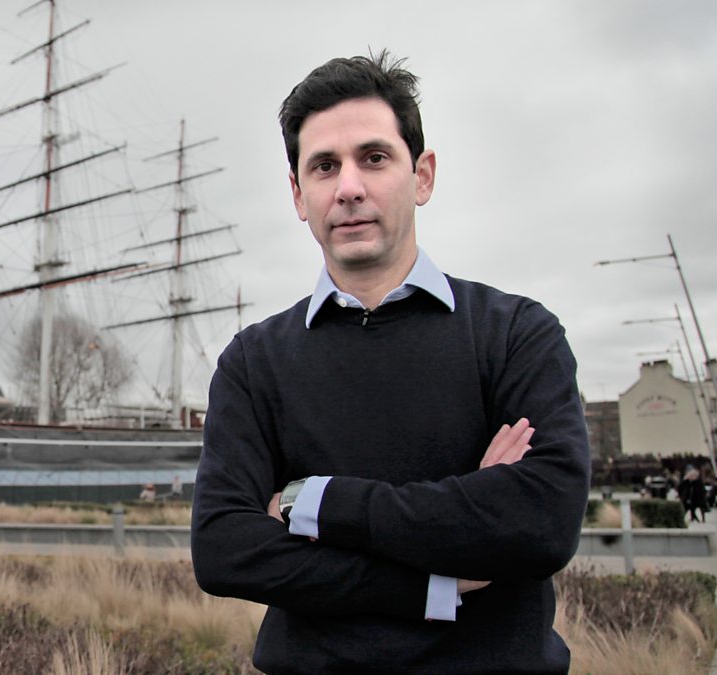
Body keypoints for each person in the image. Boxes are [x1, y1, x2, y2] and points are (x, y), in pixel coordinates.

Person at [191, 51, 590, 673]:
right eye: (324, 166)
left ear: (422, 176)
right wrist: (432, 582)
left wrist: (313, 501)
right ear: (299, 195)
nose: (348, 187)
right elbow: (224, 549)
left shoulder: (517, 334)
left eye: (374, 158)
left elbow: (540, 522)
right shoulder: (252, 363)